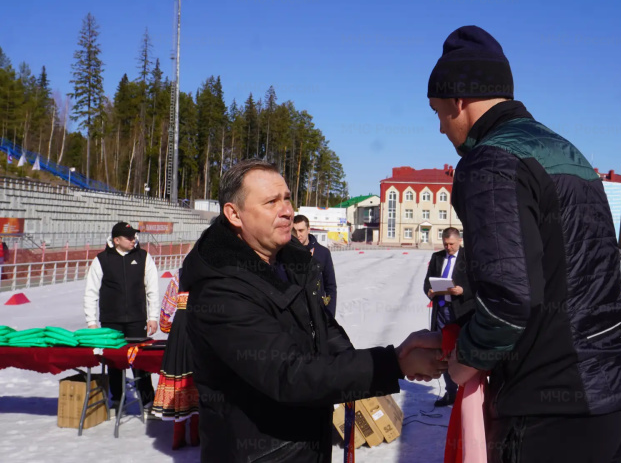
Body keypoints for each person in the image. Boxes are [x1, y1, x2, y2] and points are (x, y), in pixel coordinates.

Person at [427, 25, 621, 463]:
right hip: (614, 394)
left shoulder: (490, 160)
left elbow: (509, 300)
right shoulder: (566, 151)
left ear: (458, 100)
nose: (440, 128)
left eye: (437, 113)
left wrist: (463, 361)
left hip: (551, 409)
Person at [184, 159, 446, 463]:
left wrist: (386, 362)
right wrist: (392, 364)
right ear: (234, 214)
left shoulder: (291, 262)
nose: (286, 210)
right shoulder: (222, 290)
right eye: (271, 202)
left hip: (307, 443)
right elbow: (290, 375)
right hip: (259, 454)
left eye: (286, 198)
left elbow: (324, 332)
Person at [83, 221, 159, 412]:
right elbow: (91, 292)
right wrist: (91, 322)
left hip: (137, 319)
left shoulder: (144, 257)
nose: (134, 240)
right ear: (116, 240)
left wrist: (153, 317)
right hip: (111, 320)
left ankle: (148, 399)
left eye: (134, 236)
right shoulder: (101, 260)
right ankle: (117, 399)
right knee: (114, 362)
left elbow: (153, 289)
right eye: (129, 237)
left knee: (140, 361)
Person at [423, 227, 474, 407]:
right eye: (445, 244)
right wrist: (429, 292)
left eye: (451, 244)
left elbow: (479, 285)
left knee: (463, 354)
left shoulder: (469, 257)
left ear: (459, 241)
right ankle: (450, 392)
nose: (448, 247)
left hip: (462, 314)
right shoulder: (437, 258)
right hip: (442, 313)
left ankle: (467, 396)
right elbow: (427, 282)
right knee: (444, 353)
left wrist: (463, 291)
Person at [152, 271, 200, 450]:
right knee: (197, 378)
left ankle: (178, 433)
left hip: (181, 328)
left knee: (180, 376)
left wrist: (168, 327)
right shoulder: (212, 274)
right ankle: (195, 433)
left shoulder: (179, 275)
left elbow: (167, 308)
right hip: (202, 326)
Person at [293, 214, 338, 317]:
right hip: (296, 316)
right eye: (295, 231)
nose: (298, 234)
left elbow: (330, 286)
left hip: (317, 313)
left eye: (301, 230)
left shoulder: (323, 253)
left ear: (308, 229)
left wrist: (329, 314)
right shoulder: (287, 252)